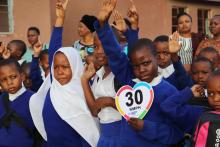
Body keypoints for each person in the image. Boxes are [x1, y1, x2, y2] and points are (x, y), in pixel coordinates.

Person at [94, 0, 185, 146]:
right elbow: (116, 55)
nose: (141, 70)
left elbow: (176, 133)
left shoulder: (169, 92)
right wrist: (103, 27)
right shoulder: (130, 82)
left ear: (157, 58)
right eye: (135, 66)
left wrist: (146, 127)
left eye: (146, 63)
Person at [29, 0, 100, 147]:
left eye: (65, 67)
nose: (59, 71)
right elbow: (54, 51)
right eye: (56, 67)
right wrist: (59, 19)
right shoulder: (54, 85)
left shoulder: (83, 90)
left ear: (74, 67)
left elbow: (87, 133)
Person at [81, 33, 122, 147]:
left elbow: (133, 110)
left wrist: (109, 101)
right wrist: (84, 81)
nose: (99, 51)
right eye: (95, 47)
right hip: (105, 136)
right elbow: (95, 110)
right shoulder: (99, 75)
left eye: (104, 46)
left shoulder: (120, 75)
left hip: (120, 136)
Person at [0, 58, 37, 147]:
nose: (9, 82)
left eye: (13, 77)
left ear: (22, 76)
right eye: (4, 80)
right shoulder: (1, 99)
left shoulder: (33, 99)